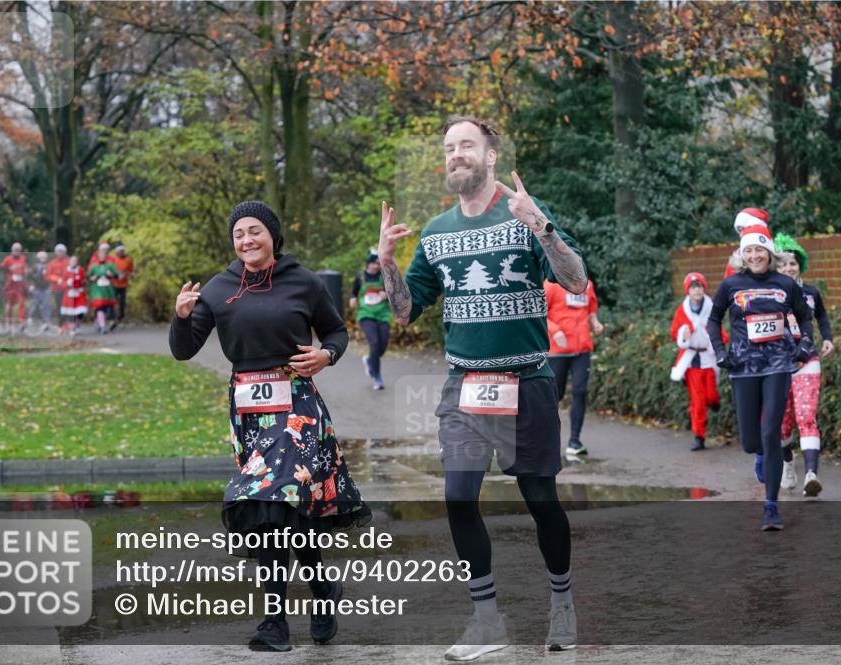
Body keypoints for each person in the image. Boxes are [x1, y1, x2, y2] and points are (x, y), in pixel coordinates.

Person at [377, 115, 588, 657]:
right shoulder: (438, 232)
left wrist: (541, 225)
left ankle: (562, 605)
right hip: (466, 387)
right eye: (449, 148)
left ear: (491, 155)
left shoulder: (523, 214)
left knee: (541, 500)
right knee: (457, 498)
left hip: (527, 380)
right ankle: (487, 621)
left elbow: (576, 281)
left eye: (466, 145)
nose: (456, 155)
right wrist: (386, 264)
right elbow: (405, 311)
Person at [169, 200, 370, 652]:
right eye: (238, 233)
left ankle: (275, 621)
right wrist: (181, 318)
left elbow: (336, 333)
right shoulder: (219, 289)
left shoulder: (304, 281)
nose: (246, 240)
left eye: (254, 231)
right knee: (274, 510)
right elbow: (184, 350)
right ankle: (322, 592)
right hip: (248, 410)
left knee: (272, 501)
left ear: (272, 235)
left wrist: (326, 356)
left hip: (297, 404)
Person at [707, 226, 814, 531]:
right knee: (751, 441)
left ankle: (771, 507)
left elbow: (805, 317)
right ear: (742, 254)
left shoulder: (785, 284)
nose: (754, 255)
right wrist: (719, 351)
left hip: (778, 365)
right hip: (743, 367)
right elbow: (714, 320)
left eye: (759, 250)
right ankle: (760, 457)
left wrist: (805, 343)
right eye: (748, 250)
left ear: (769, 253)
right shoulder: (731, 285)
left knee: (771, 433)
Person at [774, 233, 835, 497]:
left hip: (807, 361)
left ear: (801, 265)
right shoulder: (770, 294)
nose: (789, 268)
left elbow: (820, 315)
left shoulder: (810, 292)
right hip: (777, 365)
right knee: (783, 424)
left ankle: (811, 474)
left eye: (793, 263)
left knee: (806, 417)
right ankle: (788, 464)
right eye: (783, 263)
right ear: (775, 267)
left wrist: (828, 338)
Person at [545, 278, 603, 456]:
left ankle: (575, 441)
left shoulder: (587, 285)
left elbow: (591, 309)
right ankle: (547, 441)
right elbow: (539, 313)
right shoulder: (551, 285)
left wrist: (595, 323)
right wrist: (555, 331)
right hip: (558, 350)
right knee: (555, 395)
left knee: (580, 391)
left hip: (582, 349)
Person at [669, 272, 727, 451]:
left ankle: (714, 402)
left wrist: (720, 344)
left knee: (710, 395)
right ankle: (699, 436)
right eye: (693, 287)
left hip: (708, 357)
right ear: (688, 290)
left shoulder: (712, 307)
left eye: (700, 286)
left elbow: (719, 330)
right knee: (698, 400)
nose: (697, 290)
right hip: (692, 360)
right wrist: (683, 334)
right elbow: (674, 332)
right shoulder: (682, 310)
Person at [348, 249, 391, 390]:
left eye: (378, 264)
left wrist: (387, 294)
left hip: (383, 313)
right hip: (366, 314)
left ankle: (369, 360)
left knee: (382, 345)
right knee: (374, 342)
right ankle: (377, 377)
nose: (376, 266)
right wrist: (352, 299)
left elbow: (392, 293)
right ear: (368, 263)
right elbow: (354, 293)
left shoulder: (383, 276)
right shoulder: (360, 277)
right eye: (374, 263)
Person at [724, 208, 770, 277]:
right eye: (739, 230)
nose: (741, 233)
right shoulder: (735, 261)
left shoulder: (777, 256)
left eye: (745, 228)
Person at [87, 243, 120, 333]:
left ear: (106, 256)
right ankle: (102, 326)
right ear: (98, 256)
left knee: (107, 307)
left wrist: (111, 274)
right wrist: (92, 278)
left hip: (107, 289)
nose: (102, 256)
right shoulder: (94, 265)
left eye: (104, 255)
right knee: (99, 306)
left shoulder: (110, 265)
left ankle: (100, 321)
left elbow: (117, 275)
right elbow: (88, 275)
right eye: (101, 255)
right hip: (97, 289)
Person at [0, 242, 28, 332]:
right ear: (12, 250)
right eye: (15, 250)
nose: (16, 251)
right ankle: (9, 324)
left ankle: (22, 323)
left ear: (20, 251)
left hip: (19, 284)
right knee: (9, 305)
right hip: (10, 284)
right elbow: (1, 268)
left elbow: (24, 270)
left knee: (21, 303)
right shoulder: (8, 259)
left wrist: (26, 273)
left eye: (18, 250)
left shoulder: (23, 258)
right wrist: (10, 269)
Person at [59, 255, 87, 335]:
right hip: (69, 294)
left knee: (80, 311)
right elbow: (62, 283)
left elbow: (84, 279)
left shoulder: (80, 270)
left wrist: (82, 283)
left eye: (75, 261)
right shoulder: (66, 271)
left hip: (78, 294)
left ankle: (77, 325)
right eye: (72, 261)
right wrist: (67, 283)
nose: (74, 262)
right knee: (70, 313)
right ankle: (70, 328)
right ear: (70, 262)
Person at [27, 251, 54, 332]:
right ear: (38, 257)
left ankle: (46, 322)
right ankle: (30, 318)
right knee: (35, 304)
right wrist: (31, 285)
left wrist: (52, 284)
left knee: (46, 305)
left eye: (44, 257)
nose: (43, 258)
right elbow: (29, 276)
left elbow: (52, 276)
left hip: (46, 288)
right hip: (36, 287)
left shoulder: (49, 265)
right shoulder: (34, 266)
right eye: (41, 257)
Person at [110, 244, 135, 325]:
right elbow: (109, 269)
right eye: (119, 251)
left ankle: (120, 317)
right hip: (114, 284)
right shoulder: (113, 259)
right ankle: (112, 318)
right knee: (114, 301)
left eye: (122, 251)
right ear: (117, 251)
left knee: (122, 302)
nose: (121, 252)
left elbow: (131, 270)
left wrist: (131, 274)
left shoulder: (128, 259)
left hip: (123, 284)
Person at [46, 244, 69, 326]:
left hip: (67, 288)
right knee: (59, 305)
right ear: (55, 253)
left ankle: (67, 322)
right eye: (58, 251)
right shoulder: (52, 263)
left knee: (67, 305)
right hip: (57, 288)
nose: (60, 253)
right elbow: (48, 275)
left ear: (65, 252)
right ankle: (61, 322)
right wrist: (56, 279)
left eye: (61, 251)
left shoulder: (68, 262)